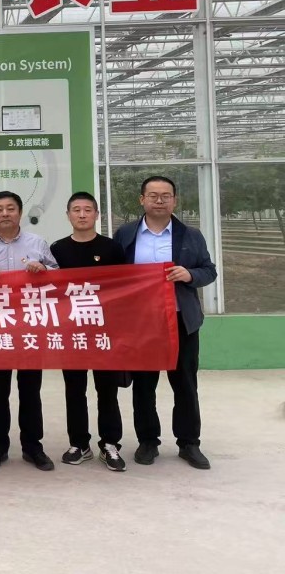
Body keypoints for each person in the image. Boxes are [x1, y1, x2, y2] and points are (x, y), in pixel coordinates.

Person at [113, 176, 218, 470]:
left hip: (180, 321)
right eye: (153, 195)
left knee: (185, 383)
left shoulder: (190, 235)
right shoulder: (126, 234)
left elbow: (209, 270)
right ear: (142, 200)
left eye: (166, 195)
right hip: (141, 323)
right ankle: (148, 441)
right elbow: (113, 273)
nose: (159, 200)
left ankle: (189, 443)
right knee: (144, 385)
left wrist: (190, 275)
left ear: (174, 200)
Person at [0, 190, 58, 472]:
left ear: (20, 213)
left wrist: (44, 269)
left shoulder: (37, 243)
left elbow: (60, 277)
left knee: (30, 390)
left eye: (10, 208)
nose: (5, 213)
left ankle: (32, 446)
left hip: (29, 327)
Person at [50, 192, 128, 472]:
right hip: (71, 331)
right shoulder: (57, 249)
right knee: (75, 389)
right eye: (76, 210)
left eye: (87, 210)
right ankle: (79, 443)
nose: (82, 215)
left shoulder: (112, 248)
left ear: (97, 214)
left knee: (107, 390)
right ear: (68, 215)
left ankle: (110, 443)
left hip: (104, 331)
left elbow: (126, 286)